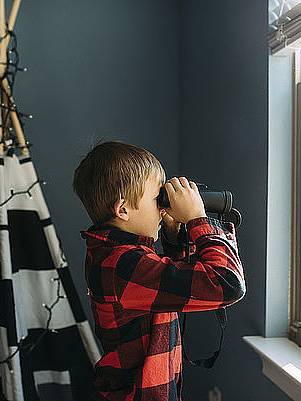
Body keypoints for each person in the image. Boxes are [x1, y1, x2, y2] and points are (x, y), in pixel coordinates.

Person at [73, 141, 246, 401]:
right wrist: (198, 220)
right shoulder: (124, 265)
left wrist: (174, 234)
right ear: (122, 210)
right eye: (158, 199)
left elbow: (171, 282)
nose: (164, 207)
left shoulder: (117, 253)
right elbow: (227, 284)